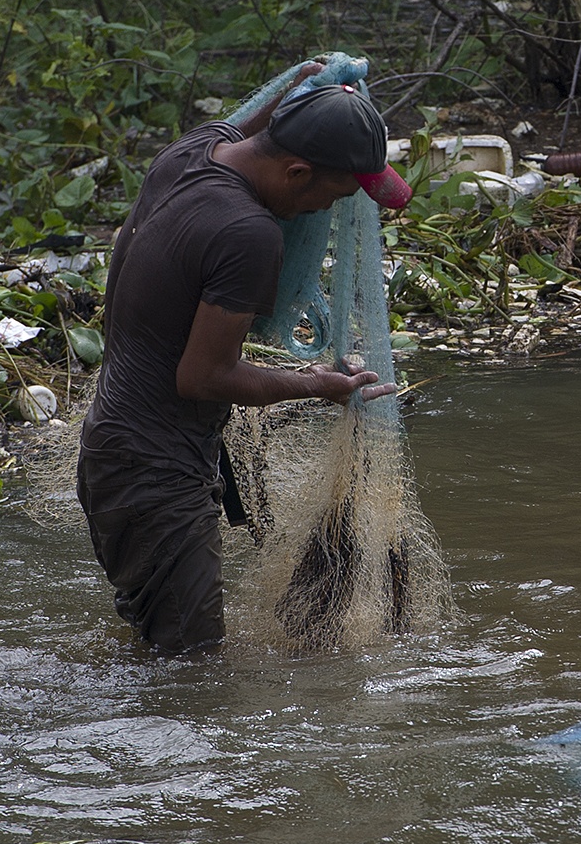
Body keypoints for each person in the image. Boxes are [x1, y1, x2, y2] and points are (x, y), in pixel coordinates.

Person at [76, 71, 414, 654]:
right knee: (191, 677)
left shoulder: (194, 151)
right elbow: (202, 376)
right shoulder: (250, 234)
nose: (325, 215)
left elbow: (259, 118)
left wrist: (318, 81)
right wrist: (317, 386)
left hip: (115, 451)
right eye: (331, 198)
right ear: (297, 173)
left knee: (159, 647)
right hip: (157, 476)